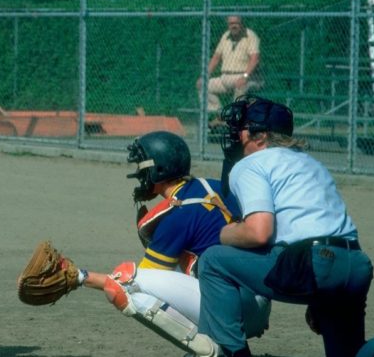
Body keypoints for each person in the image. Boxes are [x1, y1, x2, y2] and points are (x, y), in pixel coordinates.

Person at [41, 131, 271, 356]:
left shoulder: (177, 216)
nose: (140, 175)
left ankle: (212, 350)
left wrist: (82, 277)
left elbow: (137, 281)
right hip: (258, 297)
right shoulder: (213, 185)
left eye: (143, 168)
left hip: (235, 310)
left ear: (158, 170)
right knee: (195, 264)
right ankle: (226, 344)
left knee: (124, 282)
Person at [196, 95, 374, 357]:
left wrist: (225, 233)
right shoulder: (310, 162)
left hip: (313, 263)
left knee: (212, 260)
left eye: (242, 128)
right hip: (355, 265)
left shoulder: (251, 163)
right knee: (350, 354)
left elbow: (259, 232)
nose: (235, 134)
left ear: (261, 137)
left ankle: (233, 354)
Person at [197, 16, 262, 121]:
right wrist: (205, 76)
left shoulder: (250, 35)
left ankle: (235, 121)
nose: (233, 26)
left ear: (241, 23)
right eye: (231, 23)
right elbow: (216, 58)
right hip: (225, 77)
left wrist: (245, 77)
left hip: (245, 77)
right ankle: (221, 115)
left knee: (241, 86)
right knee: (203, 86)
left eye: (236, 23)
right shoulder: (225, 35)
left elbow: (254, 59)